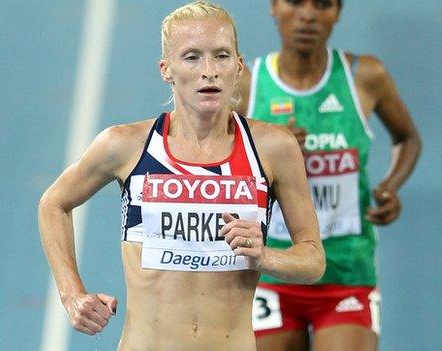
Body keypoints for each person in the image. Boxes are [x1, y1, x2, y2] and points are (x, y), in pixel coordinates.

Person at [38, 1, 325, 350]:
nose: (209, 71)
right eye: (192, 57)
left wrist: (266, 256)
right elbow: (53, 203)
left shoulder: (272, 148)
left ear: (238, 65)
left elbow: (313, 259)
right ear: (166, 69)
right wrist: (72, 296)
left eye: (221, 56)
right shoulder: (126, 145)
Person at [237, 0, 422, 350]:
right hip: (274, 271)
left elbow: (407, 137)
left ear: (337, 12)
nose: (307, 15)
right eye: (294, 2)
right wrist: (274, 152)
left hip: (346, 273)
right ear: (274, 7)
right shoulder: (249, 84)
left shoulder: (364, 76)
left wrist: (390, 187)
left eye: (323, 4)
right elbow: (217, 169)